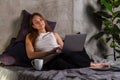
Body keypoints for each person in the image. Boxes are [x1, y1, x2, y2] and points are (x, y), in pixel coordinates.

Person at [25, 12, 110, 70]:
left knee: (78, 48)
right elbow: (30, 55)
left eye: (41, 19)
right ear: (33, 26)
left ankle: (91, 65)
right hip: (49, 61)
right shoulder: (30, 37)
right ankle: (90, 65)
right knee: (60, 63)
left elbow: (64, 48)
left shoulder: (54, 34)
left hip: (60, 55)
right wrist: (50, 52)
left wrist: (62, 49)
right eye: (36, 22)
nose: (40, 22)